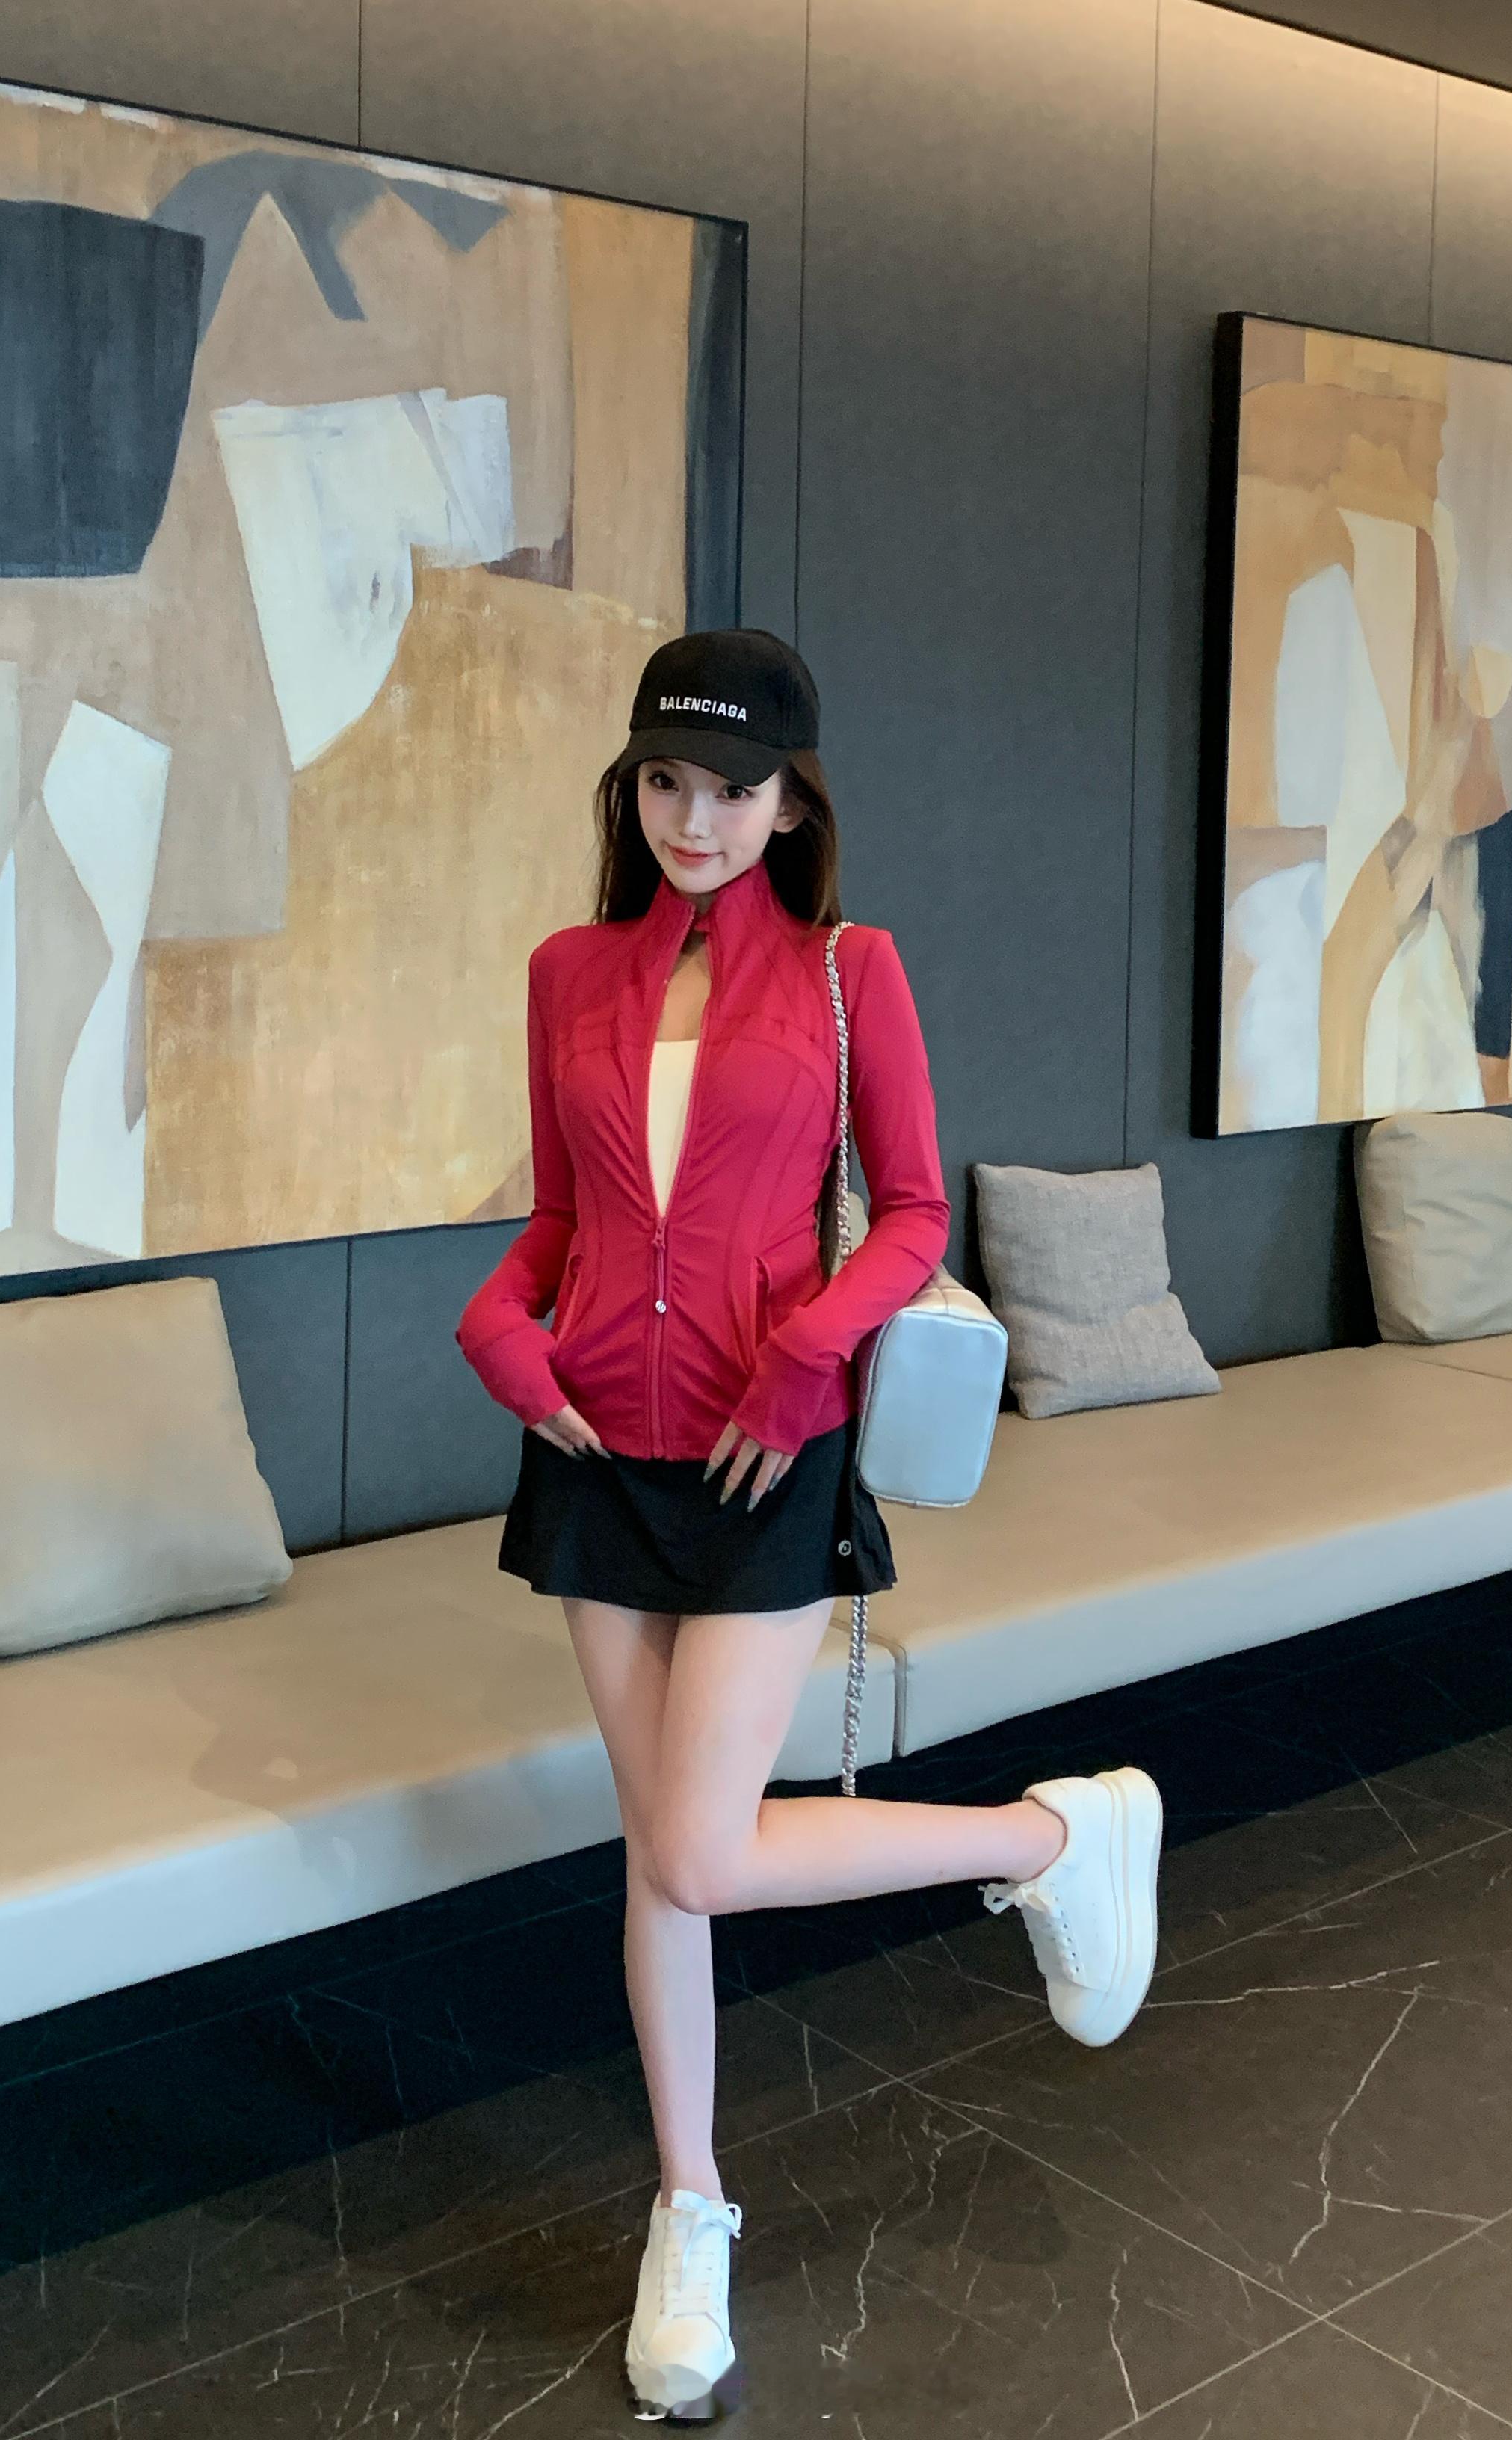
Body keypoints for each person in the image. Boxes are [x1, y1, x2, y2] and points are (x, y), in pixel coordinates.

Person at [456, 628, 1163, 2422]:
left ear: (790, 803)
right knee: (659, 1851)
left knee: (700, 1852)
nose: (695, 818)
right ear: (633, 787)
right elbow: (562, 1224)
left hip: (768, 1460)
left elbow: (914, 1213)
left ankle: (1052, 1835)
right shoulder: (567, 974)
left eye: (734, 788)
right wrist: (496, 1324)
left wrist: (803, 1361)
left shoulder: (853, 971)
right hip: (596, 1460)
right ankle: (689, 2208)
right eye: (667, 781)